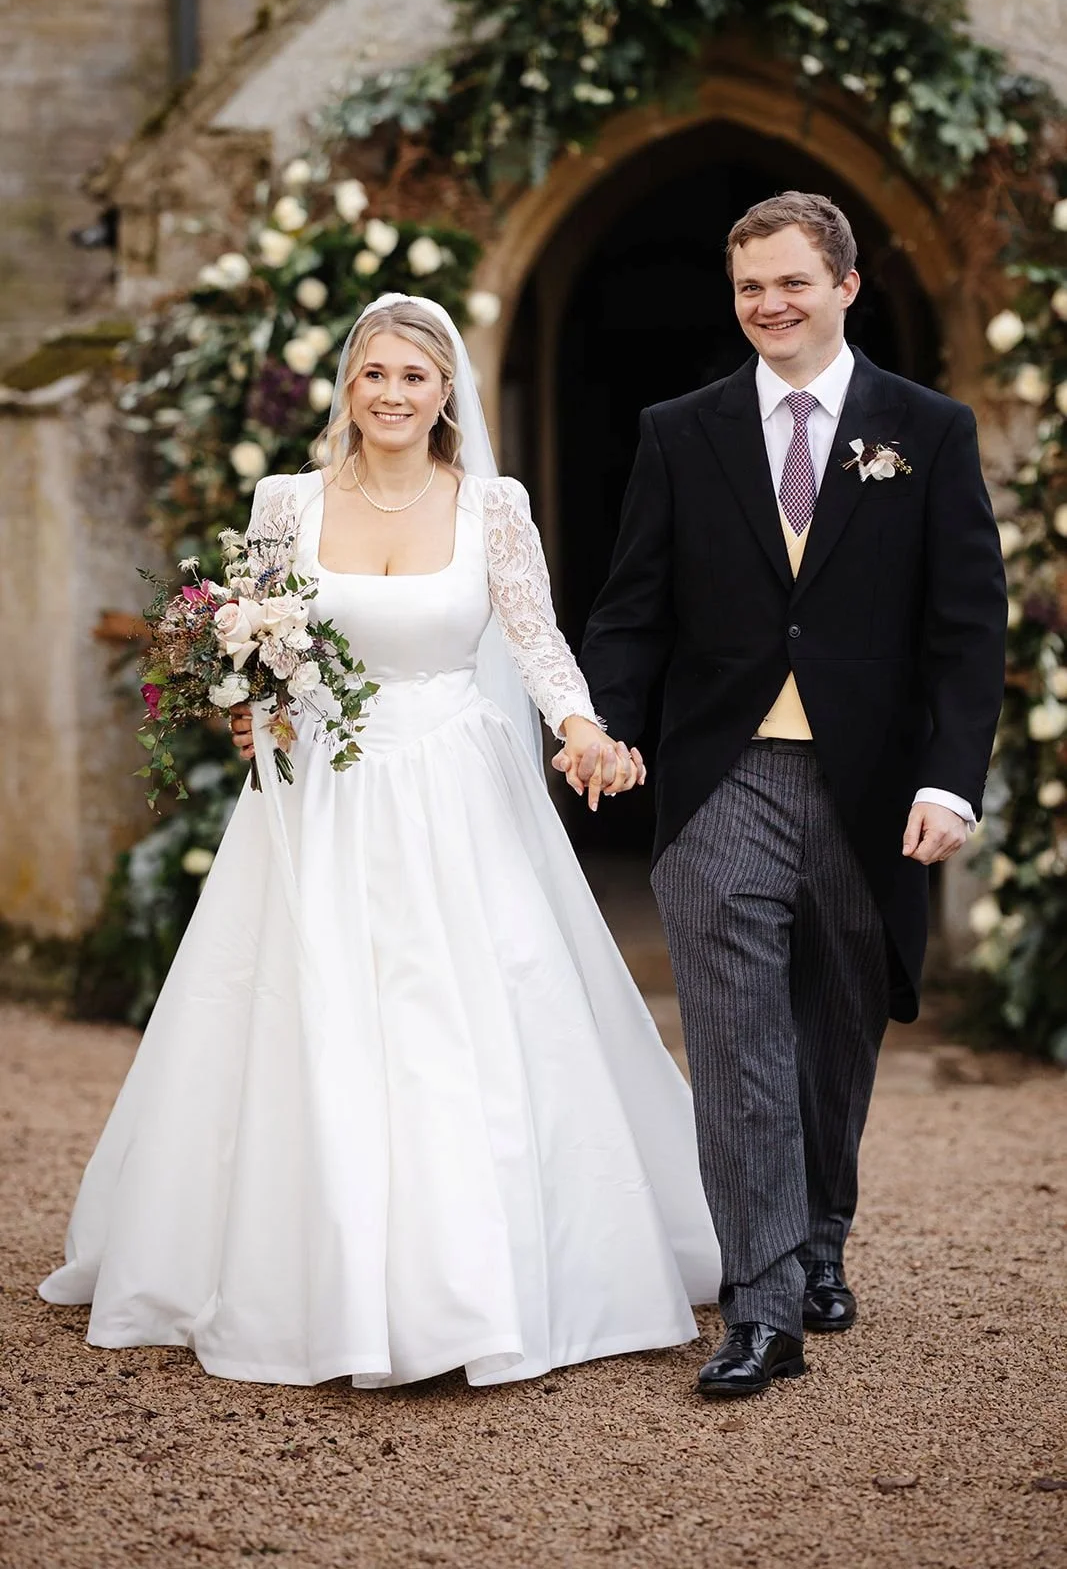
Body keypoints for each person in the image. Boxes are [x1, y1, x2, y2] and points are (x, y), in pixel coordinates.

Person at [40, 294, 720, 1388]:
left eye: (414, 375)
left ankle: (474, 1284)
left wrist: (583, 727)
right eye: (374, 375)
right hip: (319, 797)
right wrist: (240, 700)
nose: (392, 394)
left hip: (455, 788)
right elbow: (250, 646)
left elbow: (536, 639)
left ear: (446, 391)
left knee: (460, 1021)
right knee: (309, 1015)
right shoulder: (287, 501)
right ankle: (310, 1277)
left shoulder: (491, 504)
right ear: (346, 389)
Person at [579, 193, 1006, 1398]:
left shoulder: (926, 429)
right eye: (748, 288)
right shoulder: (681, 430)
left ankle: (819, 1239)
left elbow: (966, 630)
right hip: (723, 779)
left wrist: (947, 782)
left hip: (873, 791)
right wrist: (602, 722)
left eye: (790, 283)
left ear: (844, 286)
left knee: (831, 1037)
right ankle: (760, 1304)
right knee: (737, 1046)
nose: (768, 305)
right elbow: (632, 609)